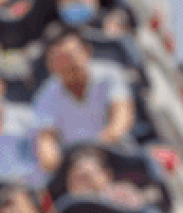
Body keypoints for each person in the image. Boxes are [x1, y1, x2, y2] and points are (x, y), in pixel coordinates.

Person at [32, 29, 136, 171]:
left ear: (87, 52)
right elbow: (46, 140)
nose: (68, 64)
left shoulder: (110, 73)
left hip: (115, 151)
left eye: (72, 56)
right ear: (50, 66)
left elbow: (122, 116)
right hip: (74, 164)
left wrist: (99, 146)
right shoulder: (45, 95)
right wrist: (53, 163)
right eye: (60, 60)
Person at [62, 145, 161, 208]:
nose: (82, 185)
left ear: (105, 176)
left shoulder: (122, 194)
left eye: (86, 178)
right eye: (75, 179)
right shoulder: (62, 207)